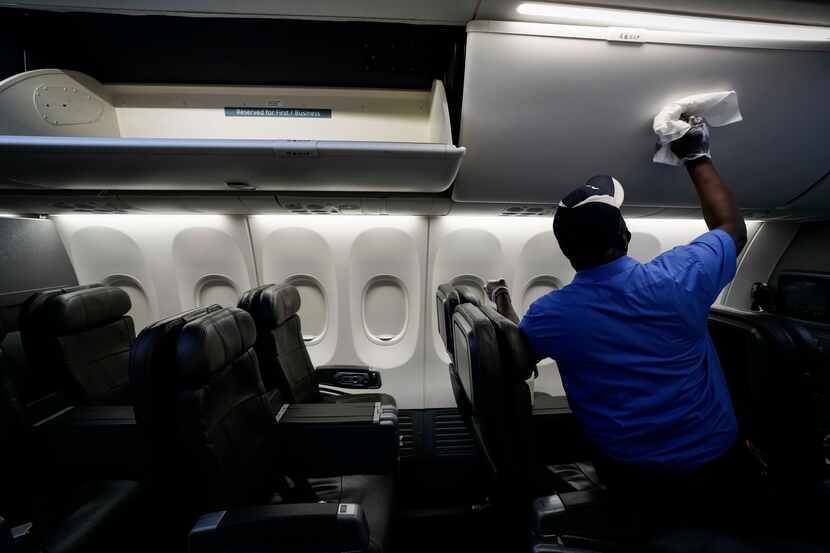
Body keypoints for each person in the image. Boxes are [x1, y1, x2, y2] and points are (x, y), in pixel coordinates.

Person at [488, 117, 758, 526]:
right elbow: (731, 229)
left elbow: (519, 356)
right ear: (625, 234)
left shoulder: (551, 316)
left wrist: (500, 302)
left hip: (627, 474)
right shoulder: (677, 279)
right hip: (714, 461)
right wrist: (696, 155)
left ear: (567, 253)